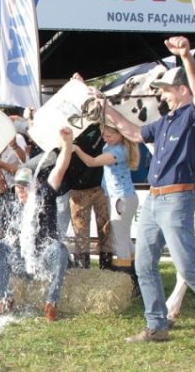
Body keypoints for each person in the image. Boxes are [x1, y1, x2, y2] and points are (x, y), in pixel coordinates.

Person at [100, 35, 195, 349]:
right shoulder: (164, 123)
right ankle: (156, 326)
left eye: (167, 89)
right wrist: (105, 107)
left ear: (182, 90)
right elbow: (132, 131)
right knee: (143, 264)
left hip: (177, 199)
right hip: (154, 199)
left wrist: (187, 57)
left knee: (187, 266)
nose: (163, 94)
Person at [72, 120, 141, 294]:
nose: (105, 138)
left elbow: (92, 162)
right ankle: (139, 272)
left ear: (120, 135)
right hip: (120, 198)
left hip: (121, 200)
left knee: (120, 242)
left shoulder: (118, 151)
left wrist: (76, 149)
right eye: (104, 135)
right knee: (125, 239)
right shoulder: (112, 146)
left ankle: (129, 281)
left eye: (109, 135)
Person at [17, 127, 75, 321]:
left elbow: (59, 169)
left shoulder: (44, 195)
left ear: (34, 186)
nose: (22, 191)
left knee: (59, 248)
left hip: (44, 258)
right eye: (19, 187)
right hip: (23, 260)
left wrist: (67, 145)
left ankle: (51, 302)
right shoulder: (11, 202)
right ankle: (4, 299)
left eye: (26, 186)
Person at [66, 124, 114, 269]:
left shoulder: (98, 127)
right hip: (77, 190)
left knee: (106, 228)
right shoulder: (66, 130)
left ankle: (106, 268)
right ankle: (83, 271)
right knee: (81, 232)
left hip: (100, 187)